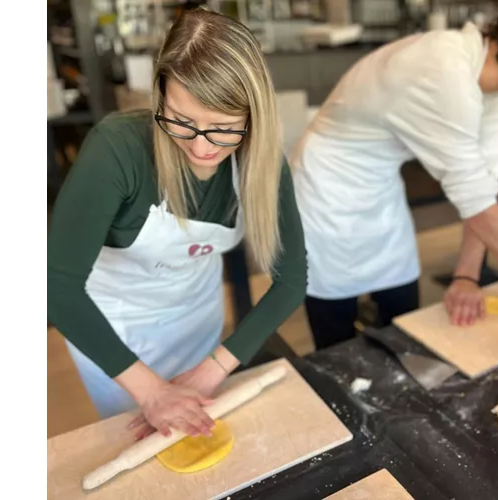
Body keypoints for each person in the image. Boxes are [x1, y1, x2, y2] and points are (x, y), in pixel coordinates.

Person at [290, 0, 498, 348]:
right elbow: (477, 203)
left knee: (400, 304)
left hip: (379, 183)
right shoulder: (442, 70)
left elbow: (483, 185)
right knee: (336, 327)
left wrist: (466, 275)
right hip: (326, 187)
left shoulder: (493, 87)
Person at [47, 8, 307, 440]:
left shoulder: (261, 163)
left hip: (197, 320)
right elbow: (56, 286)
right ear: (160, 97)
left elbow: (291, 279)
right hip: (114, 331)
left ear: (252, 118)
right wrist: (149, 392)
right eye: (182, 121)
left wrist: (213, 368)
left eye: (223, 128)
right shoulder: (117, 151)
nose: (201, 147)